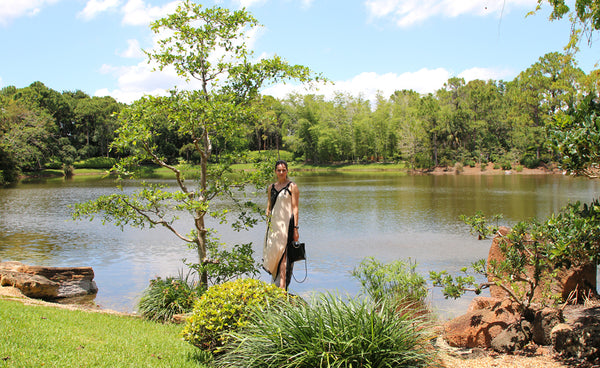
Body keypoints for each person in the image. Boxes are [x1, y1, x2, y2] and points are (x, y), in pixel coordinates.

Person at [262, 160, 299, 290]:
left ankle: (282, 286)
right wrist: (268, 222)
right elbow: (268, 207)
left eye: (284, 170)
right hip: (273, 226)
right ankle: (275, 282)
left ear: (287, 171)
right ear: (275, 171)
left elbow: (295, 209)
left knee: (284, 254)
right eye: (279, 170)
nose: (281, 172)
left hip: (286, 225)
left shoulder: (292, 187)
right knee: (273, 253)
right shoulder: (270, 188)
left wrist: (295, 229)